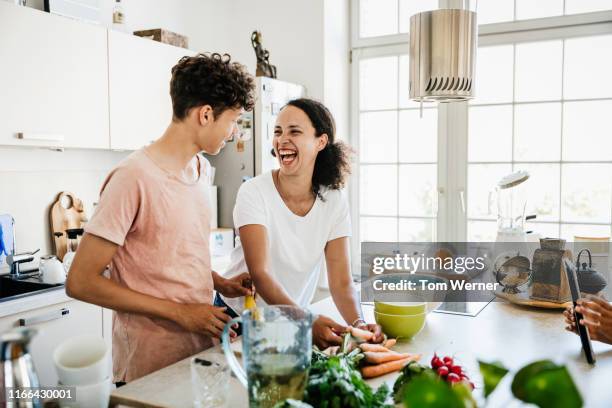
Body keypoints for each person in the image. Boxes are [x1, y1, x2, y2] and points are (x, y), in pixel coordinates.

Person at [66, 53, 255, 383]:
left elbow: (166, 255)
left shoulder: (200, 171)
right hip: (148, 365)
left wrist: (218, 282)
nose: (234, 131)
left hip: (199, 354)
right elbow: (81, 281)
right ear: (205, 114)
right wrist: (181, 313)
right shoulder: (133, 177)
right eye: (233, 119)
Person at [216, 98, 383, 348]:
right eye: (278, 132)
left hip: (290, 321)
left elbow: (341, 281)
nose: (282, 139)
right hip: (239, 318)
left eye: (294, 131)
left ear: (321, 142)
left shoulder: (334, 201)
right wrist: (305, 320)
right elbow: (260, 274)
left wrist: (358, 324)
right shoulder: (254, 192)